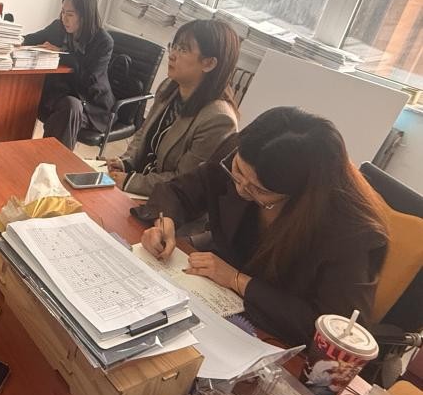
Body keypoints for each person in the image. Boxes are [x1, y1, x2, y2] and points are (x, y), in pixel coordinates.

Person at [141, 107, 387, 345]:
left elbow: (333, 329)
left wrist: (237, 280)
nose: (240, 188)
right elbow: (182, 190)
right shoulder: (244, 154)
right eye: (238, 171)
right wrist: (164, 221)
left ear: (300, 195)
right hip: (211, 294)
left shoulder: (352, 235)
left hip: (269, 332)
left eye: (259, 190)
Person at [107, 19, 240, 197]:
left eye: (183, 50)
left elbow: (184, 181)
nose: (172, 55)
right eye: (174, 46)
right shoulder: (169, 87)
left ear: (209, 63)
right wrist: (126, 162)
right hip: (141, 183)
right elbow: (143, 134)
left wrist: (130, 181)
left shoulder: (218, 120)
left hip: (166, 201)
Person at [22, 0, 114, 150]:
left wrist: (62, 54)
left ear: (85, 17)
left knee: (70, 108)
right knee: (26, 95)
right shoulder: (58, 27)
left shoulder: (103, 42)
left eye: (70, 14)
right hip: (61, 94)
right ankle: (42, 157)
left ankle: (50, 158)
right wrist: (11, 38)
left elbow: (88, 78)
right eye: (63, 12)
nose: (64, 18)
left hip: (90, 104)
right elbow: (31, 39)